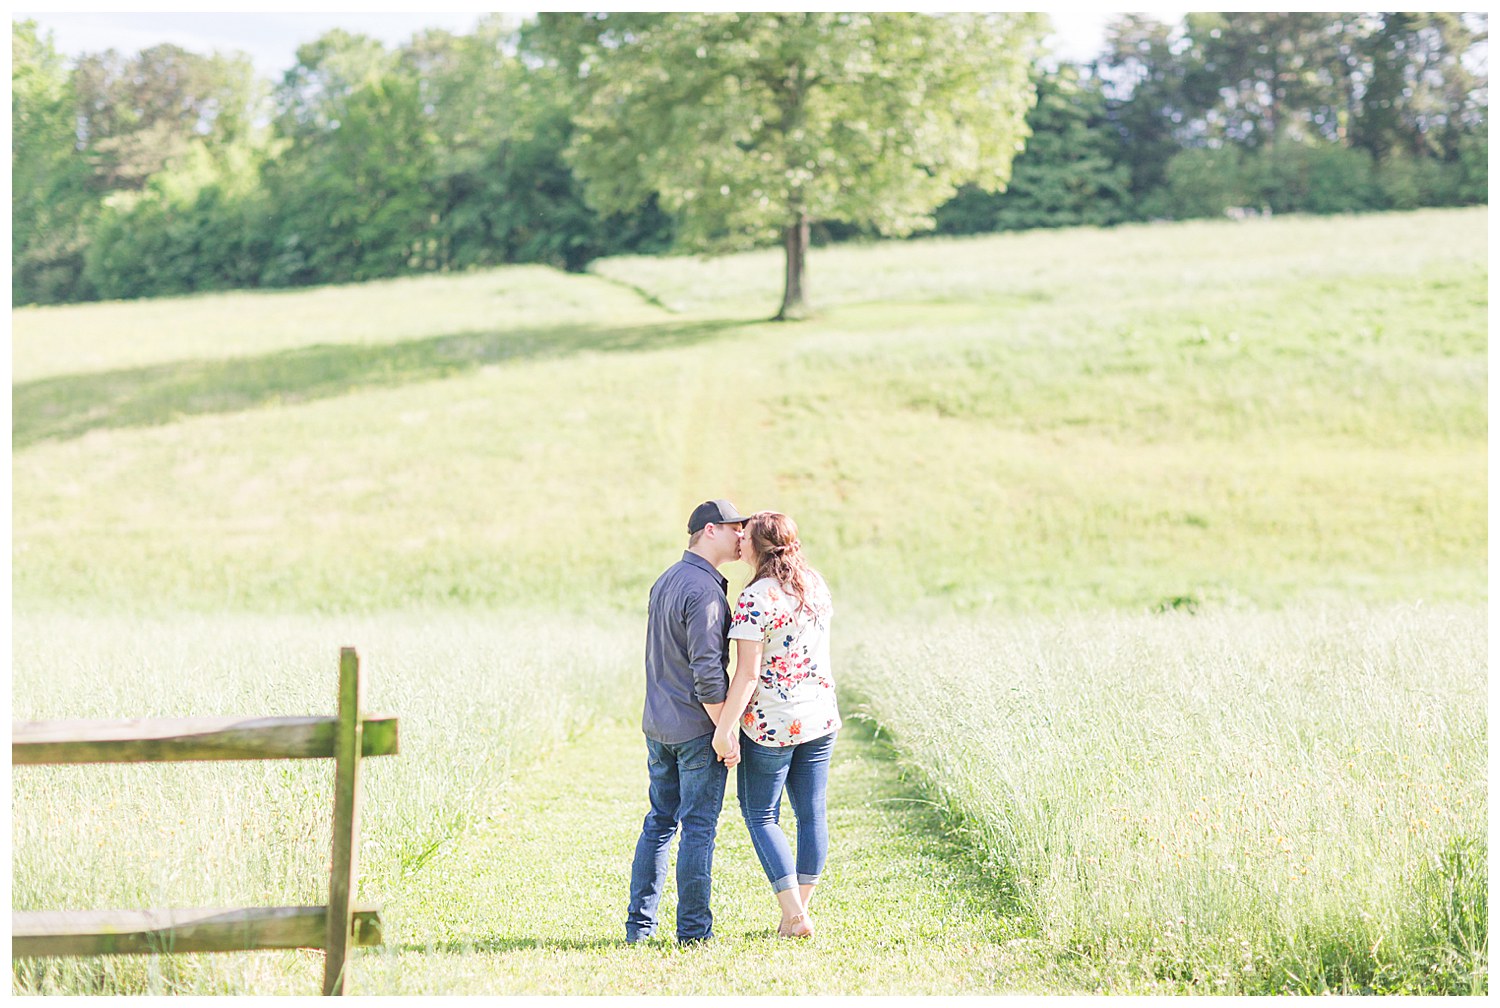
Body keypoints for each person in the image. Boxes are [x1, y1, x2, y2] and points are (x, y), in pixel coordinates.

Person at [625, 498, 749, 945]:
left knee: (660, 822)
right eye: (736, 527)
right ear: (711, 530)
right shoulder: (704, 590)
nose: (742, 536)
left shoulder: (668, 579)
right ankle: (694, 933)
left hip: (658, 725)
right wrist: (724, 732)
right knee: (697, 827)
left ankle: (639, 928)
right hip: (697, 730)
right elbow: (708, 674)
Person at [712, 510, 840, 940]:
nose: (739, 542)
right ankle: (797, 913)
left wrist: (723, 729)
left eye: (744, 536)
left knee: (762, 814)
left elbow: (746, 674)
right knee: (811, 813)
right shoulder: (815, 585)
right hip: (820, 715)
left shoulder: (754, 598)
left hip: (772, 723)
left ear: (755, 546)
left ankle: (795, 915)